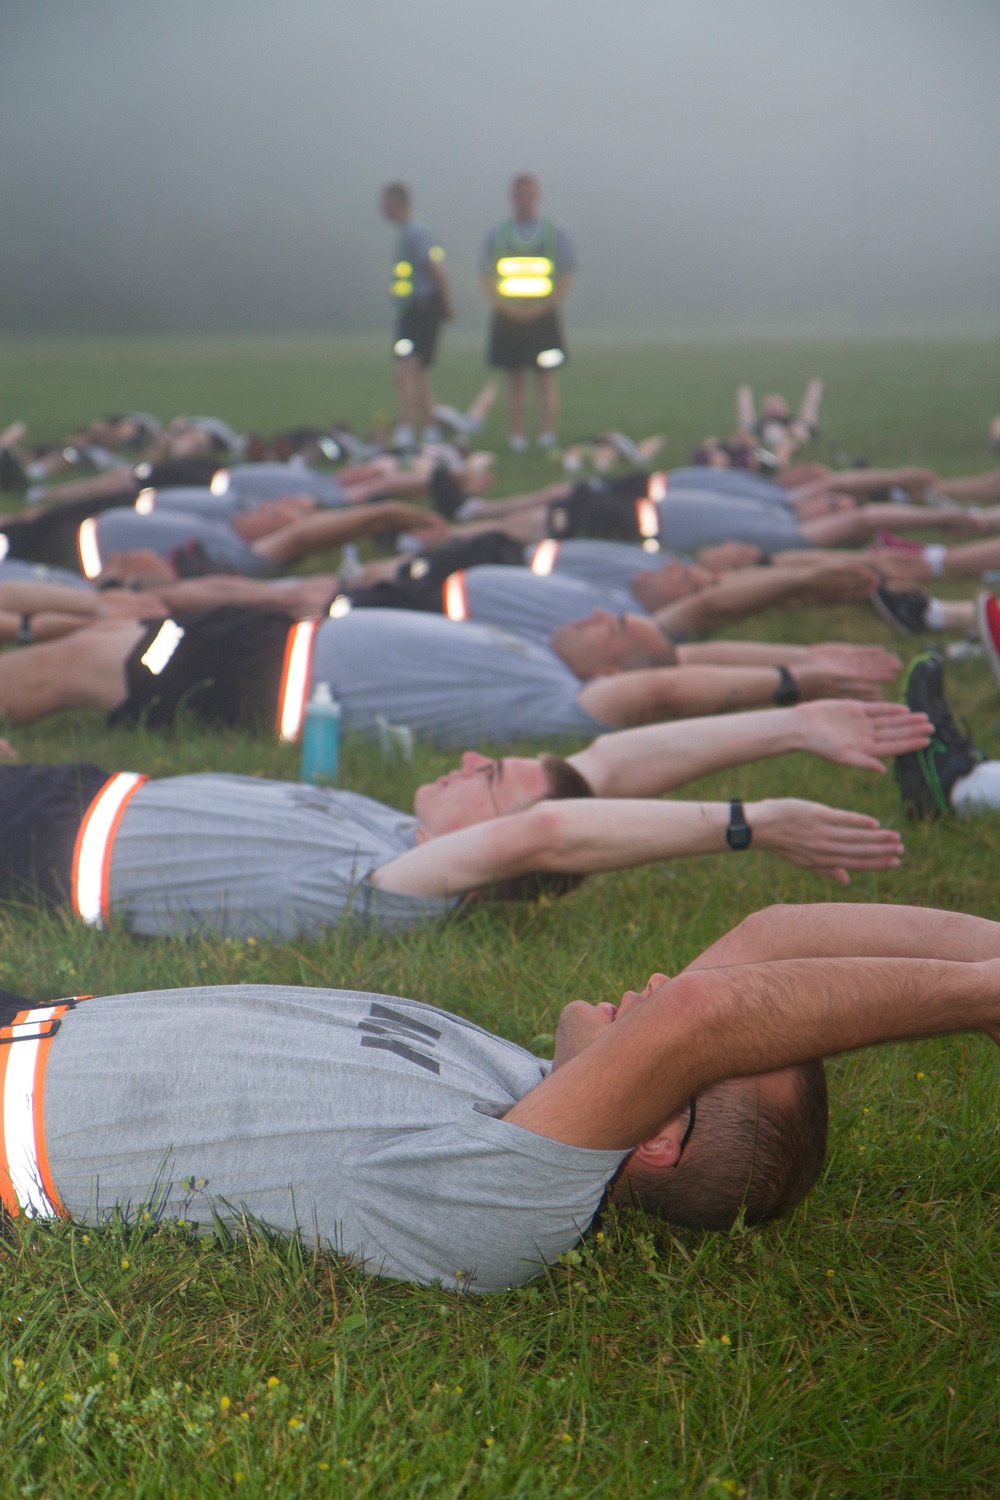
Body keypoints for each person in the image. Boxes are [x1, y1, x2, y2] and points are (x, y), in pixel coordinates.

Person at [5, 900, 1000, 1289]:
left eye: (669, 1040)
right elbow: (770, 935)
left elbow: (708, 1009)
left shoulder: (500, 1205)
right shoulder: (527, 1085)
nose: (654, 988)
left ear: (655, 1132)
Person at [0, 697, 923, 937]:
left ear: (484, 852)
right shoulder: (398, 832)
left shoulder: (399, 890)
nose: (476, 760)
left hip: (37, 845)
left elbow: (548, 829)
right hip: (73, 789)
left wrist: (747, 823)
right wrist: (791, 723)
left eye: (493, 779)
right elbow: (601, 767)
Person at [480, 174, 576, 451]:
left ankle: (547, 436)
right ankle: (517, 438)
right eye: (518, 193)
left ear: (537, 195)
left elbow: (567, 272)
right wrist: (504, 306)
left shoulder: (554, 230)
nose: (523, 198)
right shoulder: (498, 232)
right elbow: (484, 274)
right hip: (508, 316)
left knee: (545, 377)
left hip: (542, 316)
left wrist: (545, 306)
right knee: (514, 378)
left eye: (528, 192)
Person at [380, 183, 455, 450]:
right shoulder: (407, 231)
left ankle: (406, 428)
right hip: (412, 309)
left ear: (395, 202)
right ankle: (431, 428)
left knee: (405, 369)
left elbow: (435, 269)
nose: (380, 207)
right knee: (416, 371)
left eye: (384, 201)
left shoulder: (415, 231)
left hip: (421, 308)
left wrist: (446, 303)